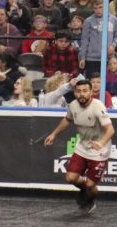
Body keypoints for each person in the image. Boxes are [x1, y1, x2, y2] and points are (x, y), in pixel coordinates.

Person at [44, 78, 114, 213]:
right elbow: (67, 120)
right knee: (70, 178)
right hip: (82, 147)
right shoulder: (73, 105)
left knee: (90, 185)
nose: (82, 94)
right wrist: (53, 134)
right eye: (79, 91)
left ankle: (90, 201)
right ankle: (84, 191)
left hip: (99, 151)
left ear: (91, 92)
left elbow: (110, 130)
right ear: (75, 92)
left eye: (85, 91)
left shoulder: (98, 106)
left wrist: (101, 143)